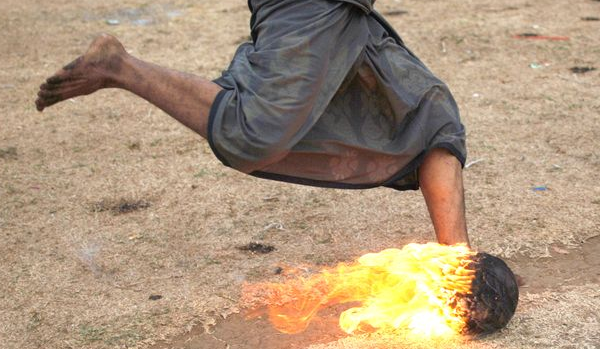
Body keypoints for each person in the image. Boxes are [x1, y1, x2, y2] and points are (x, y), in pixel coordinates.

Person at [35, 0, 470, 247]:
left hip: (349, 10)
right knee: (254, 133)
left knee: (431, 118)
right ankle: (120, 67)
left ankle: (458, 259)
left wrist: (460, 275)